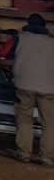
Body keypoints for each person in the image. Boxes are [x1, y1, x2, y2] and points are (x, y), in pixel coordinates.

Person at [15, 14, 54, 165]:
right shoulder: (52, 41)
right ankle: (47, 157)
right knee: (49, 122)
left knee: (25, 118)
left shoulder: (19, 37)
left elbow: (4, 54)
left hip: (24, 85)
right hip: (49, 88)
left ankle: (24, 153)